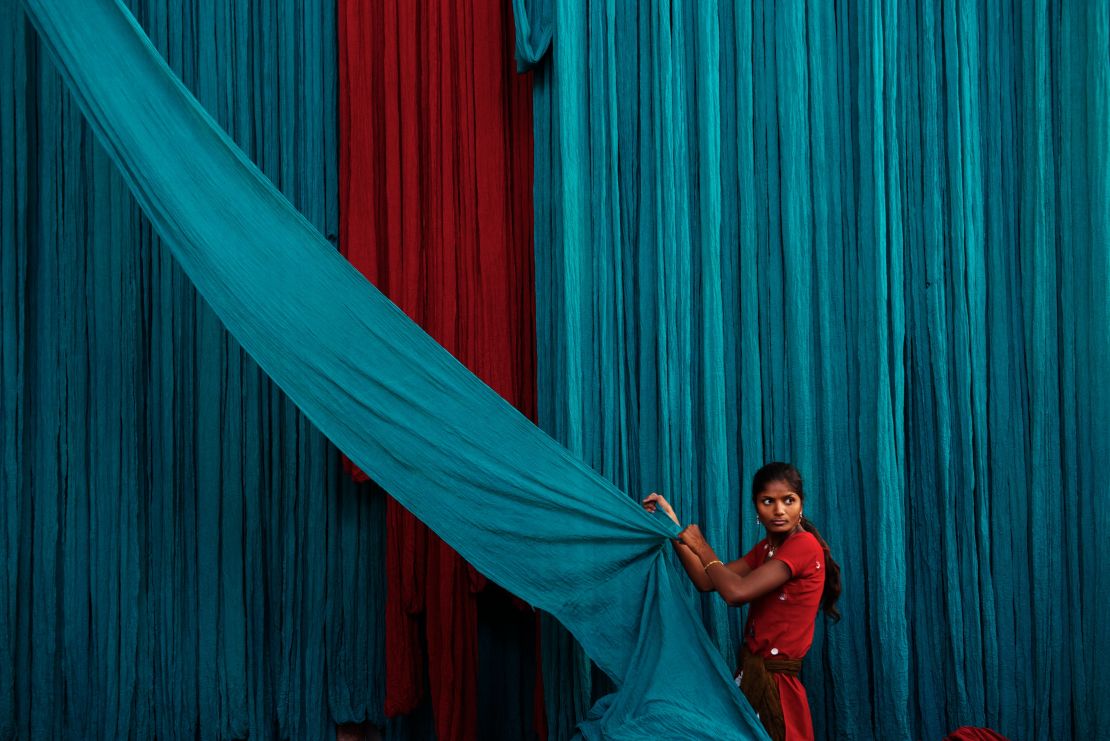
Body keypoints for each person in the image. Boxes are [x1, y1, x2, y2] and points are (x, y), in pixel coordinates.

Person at [642, 462, 841, 741]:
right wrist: (673, 527)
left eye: (789, 500)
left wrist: (701, 545)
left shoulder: (803, 545)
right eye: (768, 501)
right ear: (756, 507)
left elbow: (736, 593)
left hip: (777, 689)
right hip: (750, 677)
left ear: (801, 504)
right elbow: (707, 580)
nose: (779, 510)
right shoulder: (768, 549)